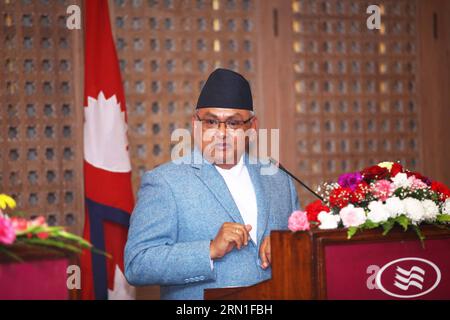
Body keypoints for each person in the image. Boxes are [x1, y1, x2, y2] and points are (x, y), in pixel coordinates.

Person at [124, 68, 300, 300]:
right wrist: (209, 250)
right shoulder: (165, 182)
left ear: (252, 128)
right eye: (211, 121)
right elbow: (137, 264)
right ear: (196, 125)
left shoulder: (279, 179)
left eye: (234, 123)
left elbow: (303, 245)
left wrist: (286, 247)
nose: (221, 133)